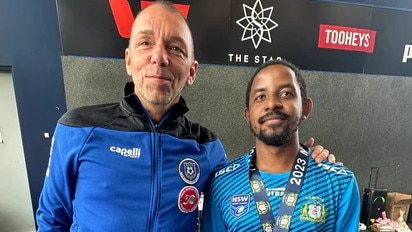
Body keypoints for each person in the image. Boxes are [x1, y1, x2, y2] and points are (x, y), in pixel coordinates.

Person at [36, 1, 336, 231]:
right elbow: (52, 219)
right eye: (145, 43)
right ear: (129, 61)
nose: (159, 57)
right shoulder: (78, 128)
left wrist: (304, 162)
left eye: (175, 48)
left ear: (191, 71)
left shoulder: (207, 147)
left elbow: (250, 194)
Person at [202, 59, 361, 232]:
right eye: (260, 97)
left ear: (305, 108)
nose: (272, 104)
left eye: (286, 93)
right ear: (248, 115)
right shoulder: (222, 184)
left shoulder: (340, 183)